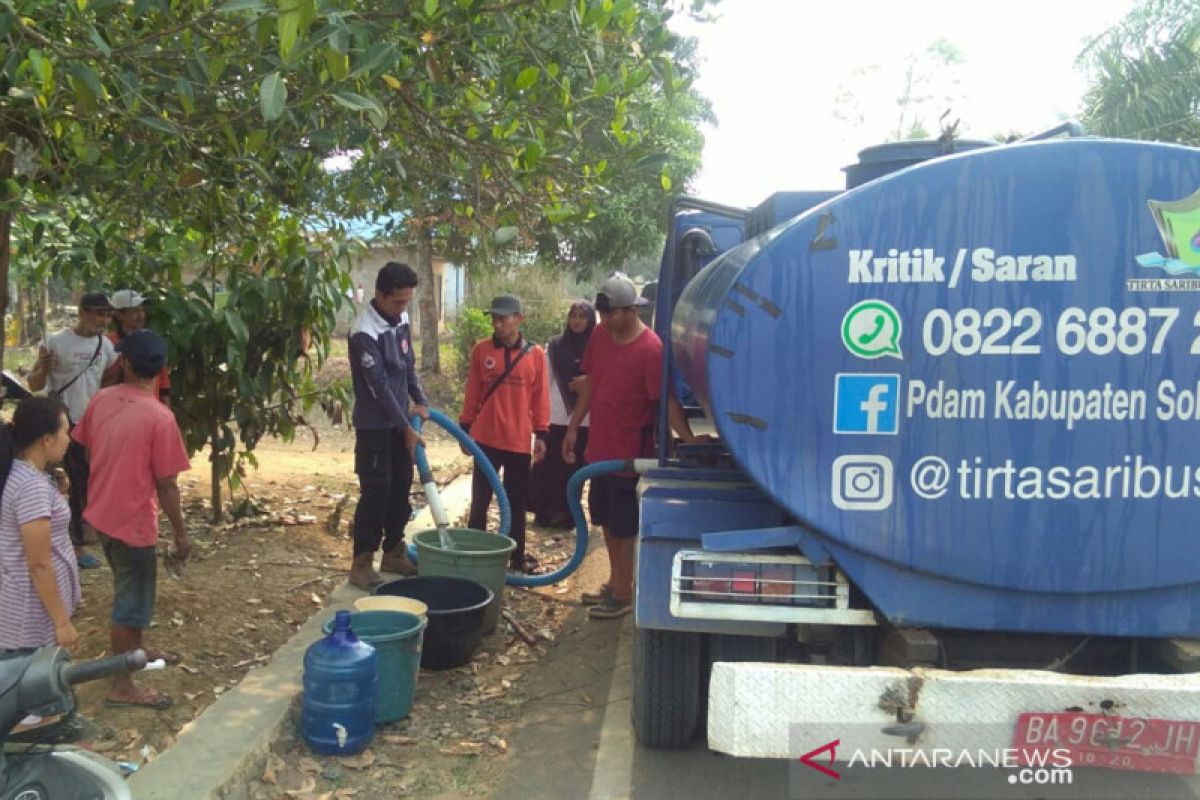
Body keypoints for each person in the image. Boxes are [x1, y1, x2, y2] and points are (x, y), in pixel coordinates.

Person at [563, 274, 701, 619]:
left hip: (629, 455)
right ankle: (615, 581)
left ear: (630, 310)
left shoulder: (651, 350)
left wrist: (687, 441)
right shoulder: (600, 335)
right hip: (600, 450)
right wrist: (573, 427)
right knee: (606, 522)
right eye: (603, 314)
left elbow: (663, 402)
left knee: (625, 528)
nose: (605, 320)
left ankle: (625, 592)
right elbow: (592, 383)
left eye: (611, 314)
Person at [72, 330, 191, 709]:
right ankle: (122, 685)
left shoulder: (102, 400)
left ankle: (137, 650)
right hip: (133, 523)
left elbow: (90, 453)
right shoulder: (160, 417)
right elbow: (167, 484)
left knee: (130, 590)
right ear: (162, 369)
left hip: (102, 513)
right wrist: (181, 534)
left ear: (124, 363)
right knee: (131, 602)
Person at [347, 262, 430, 590]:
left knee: (401, 485)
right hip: (374, 425)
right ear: (380, 295)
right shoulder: (363, 332)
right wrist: (405, 426)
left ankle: (394, 550)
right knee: (376, 490)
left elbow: (408, 364)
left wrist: (420, 399)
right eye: (397, 302)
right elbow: (378, 386)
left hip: (400, 423)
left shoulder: (401, 318)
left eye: (407, 301)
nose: (402, 308)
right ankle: (362, 560)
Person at [27, 292, 118, 571]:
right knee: (61, 482)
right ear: (82, 312)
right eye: (96, 313)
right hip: (59, 425)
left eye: (106, 315)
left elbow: (106, 383)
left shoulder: (105, 347)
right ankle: (60, 546)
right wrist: (43, 368)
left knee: (83, 483)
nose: (101, 320)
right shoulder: (55, 341)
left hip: (89, 425)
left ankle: (78, 542)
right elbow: (33, 383)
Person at [459, 295, 550, 572]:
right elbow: (473, 390)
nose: (498, 324)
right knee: (480, 500)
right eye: (495, 319)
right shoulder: (482, 351)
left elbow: (540, 398)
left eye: (504, 318)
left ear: (518, 319)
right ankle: (474, 551)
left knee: (515, 502)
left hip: (518, 441)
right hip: (486, 439)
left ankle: (516, 555)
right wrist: (465, 426)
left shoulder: (535, 355)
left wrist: (542, 434)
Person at [0, 396, 79, 652]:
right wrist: (61, 623)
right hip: (32, 617)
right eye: (65, 432)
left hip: (29, 608)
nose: (69, 439)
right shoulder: (31, 487)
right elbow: (39, 564)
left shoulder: (23, 472)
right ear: (47, 440)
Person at [529, 301, 595, 529]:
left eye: (582, 316)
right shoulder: (556, 346)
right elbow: (544, 381)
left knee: (573, 468)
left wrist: (589, 383)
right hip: (554, 415)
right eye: (573, 316)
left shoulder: (597, 348)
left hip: (585, 418)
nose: (577, 321)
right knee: (547, 466)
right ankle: (544, 513)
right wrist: (538, 414)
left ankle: (568, 515)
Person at [104, 289, 171, 405]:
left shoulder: (152, 341)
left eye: (142, 311)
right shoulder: (107, 343)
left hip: (150, 406)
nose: (140, 316)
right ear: (120, 315)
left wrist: (166, 408)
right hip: (117, 407)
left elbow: (163, 381)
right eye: (135, 311)